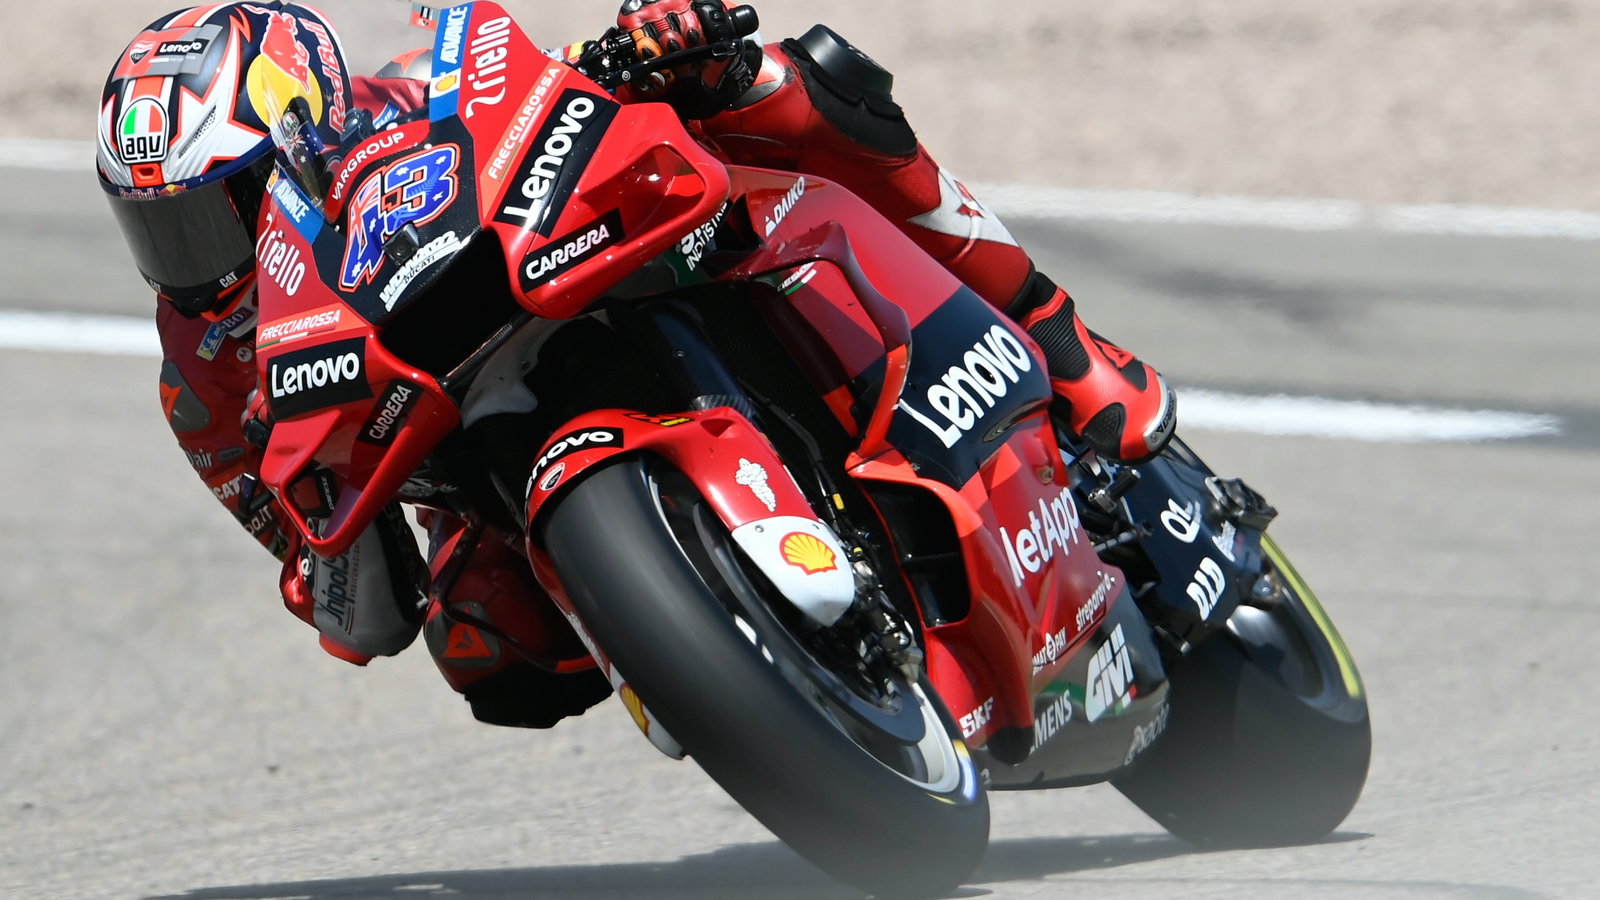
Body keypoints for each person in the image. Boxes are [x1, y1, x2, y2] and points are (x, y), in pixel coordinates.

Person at [98, 0, 1175, 729]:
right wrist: (331, 531)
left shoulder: (411, 96)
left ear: (301, 124)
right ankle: (735, 657)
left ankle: (1063, 343)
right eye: (161, 229)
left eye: (210, 212)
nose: (192, 264)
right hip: (478, 458)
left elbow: (520, 81)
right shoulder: (201, 377)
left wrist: (652, 41)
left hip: (597, 272)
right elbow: (347, 604)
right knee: (490, 657)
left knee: (775, 81)